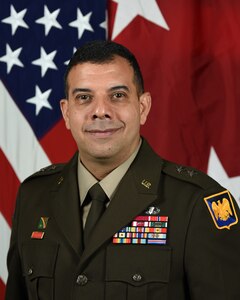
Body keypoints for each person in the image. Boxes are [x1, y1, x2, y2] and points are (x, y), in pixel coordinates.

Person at [5, 40, 240, 300]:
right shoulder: (34, 196)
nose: (101, 111)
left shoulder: (196, 204)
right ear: (67, 112)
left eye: (117, 95)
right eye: (84, 98)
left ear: (142, 107)